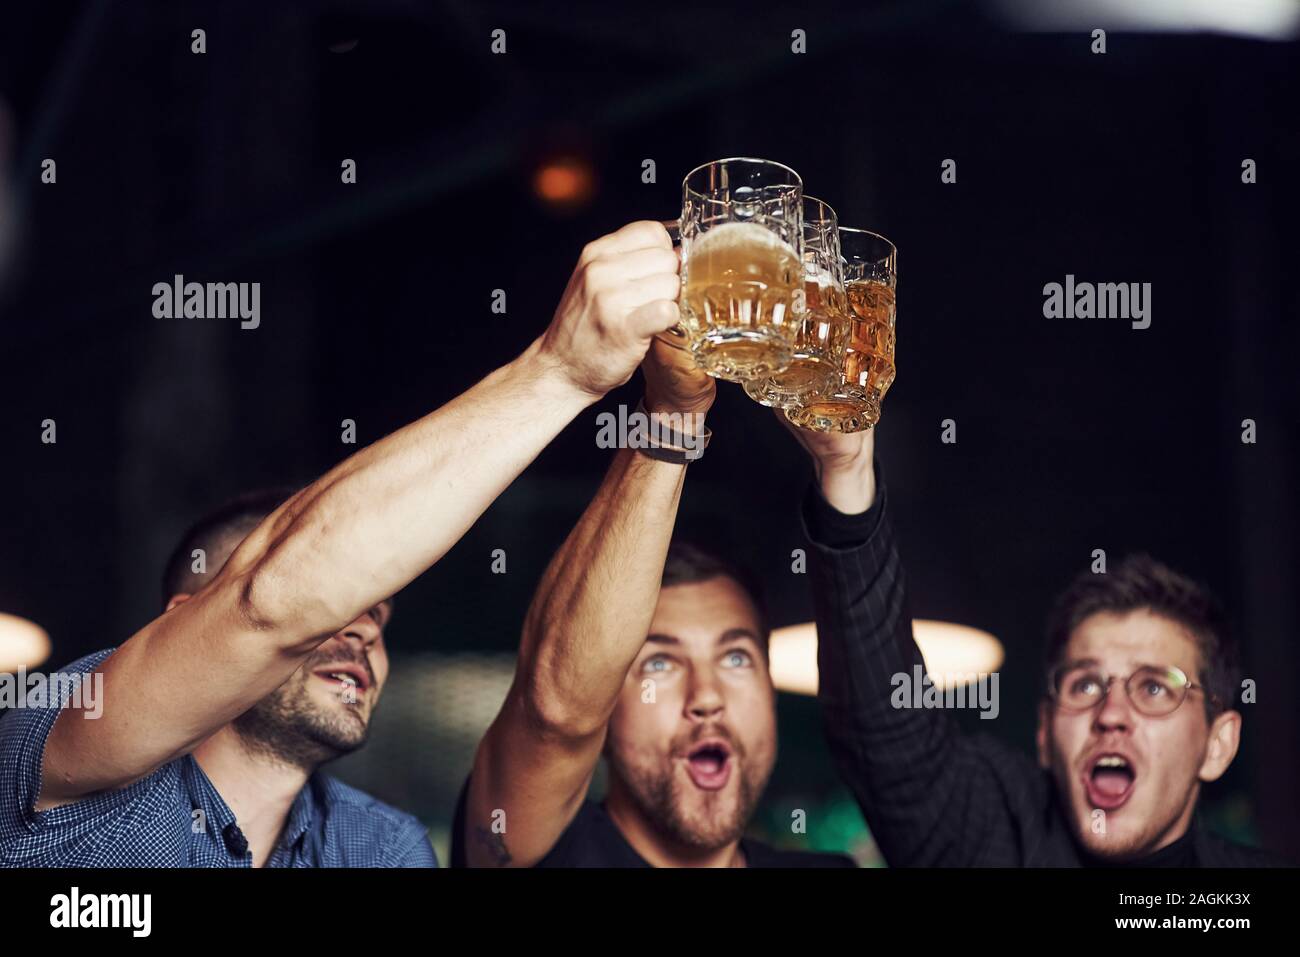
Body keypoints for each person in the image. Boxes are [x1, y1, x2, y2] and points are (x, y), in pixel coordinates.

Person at [0, 220, 681, 867]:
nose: (361, 631)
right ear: (182, 621)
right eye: (342, 606)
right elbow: (267, 602)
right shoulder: (64, 750)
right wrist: (561, 370)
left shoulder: (381, 846)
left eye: (379, 618)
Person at [790, 421, 1283, 866]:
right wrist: (846, 471)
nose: (1111, 713)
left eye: (1155, 688)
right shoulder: (989, 834)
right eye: (1085, 684)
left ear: (1218, 745)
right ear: (1046, 732)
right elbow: (880, 725)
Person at [454, 331, 854, 868]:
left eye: (736, 658)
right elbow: (553, 710)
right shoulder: (539, 850)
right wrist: (672, 416)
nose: (706, 697)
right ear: (606, 703)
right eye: (660, 663)